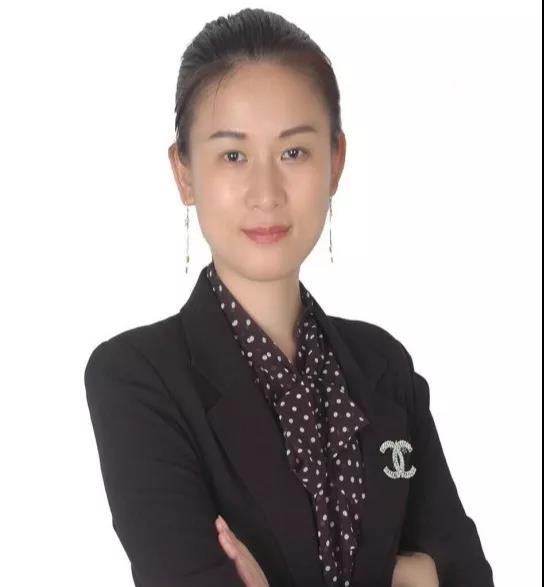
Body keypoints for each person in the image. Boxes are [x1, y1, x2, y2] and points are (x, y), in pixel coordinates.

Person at [84, 8, 495, 587]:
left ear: (336, 162)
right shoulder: (137, 379)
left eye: (294, 152)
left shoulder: (384, 366)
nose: (266, 192)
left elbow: (470, 575)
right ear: (184, 173)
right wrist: (407, 575)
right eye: (233, 155)